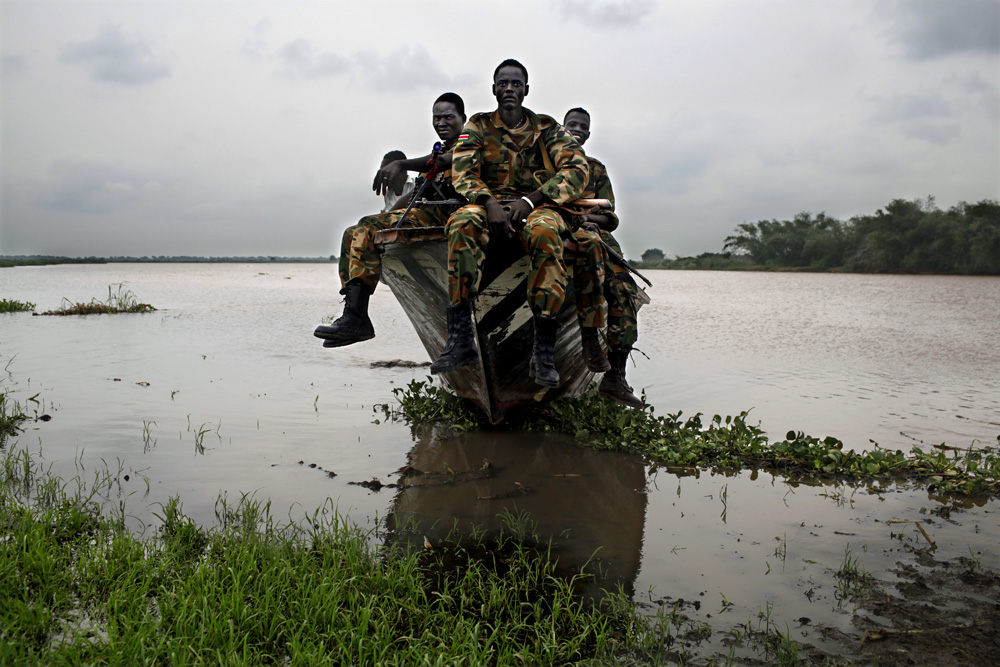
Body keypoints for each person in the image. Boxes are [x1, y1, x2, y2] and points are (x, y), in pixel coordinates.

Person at [430, 59, 589, 388]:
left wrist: (530, 201)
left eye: (516, 84)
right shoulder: (478, 125)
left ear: (526, 90)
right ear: (494, 89)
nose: (509, 89)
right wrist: (489, 204)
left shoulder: (547, 128)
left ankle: (542, 351)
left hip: (537, 204)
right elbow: (463, 170)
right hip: (488, 203)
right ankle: (460, 340)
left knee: (546, 232)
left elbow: (576, 170)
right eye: (503, 83)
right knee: (462, 221)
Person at [314, 92, 466, 348]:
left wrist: (401, 163)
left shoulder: (469, 141)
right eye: (436, 117)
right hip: (426, 212)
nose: (441, 122)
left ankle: (357, 318)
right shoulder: (439, 149)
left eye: (448, 117)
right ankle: (353, 312)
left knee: (367, 226)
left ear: (463, 118)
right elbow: (419, 191)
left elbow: (443, 163)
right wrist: (387, 217)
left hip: (450, 216)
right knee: (353, 232)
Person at [563, 107, 643, 407]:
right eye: (572, 124)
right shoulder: (548, 164)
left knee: (625, 290)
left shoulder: (595, 169)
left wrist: (591, 221)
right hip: (558, 232)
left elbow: (611, 219)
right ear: (561, 128)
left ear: (588, 133)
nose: (577, 130)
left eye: (583, 126)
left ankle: (615, 378)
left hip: (597, 236)